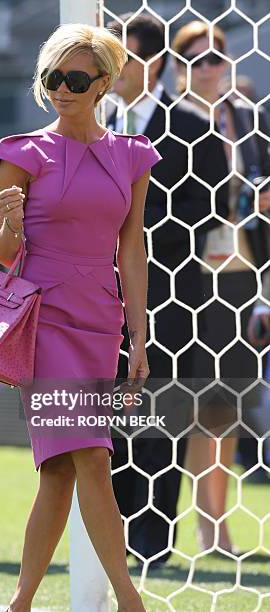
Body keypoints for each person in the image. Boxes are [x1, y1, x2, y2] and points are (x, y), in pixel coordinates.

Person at [0, 23, 161, 612]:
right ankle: (128, 598)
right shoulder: (21, 152)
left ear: (104, 83)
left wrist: (138, 336)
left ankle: (21, 602)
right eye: (53, 78)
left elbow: (131, 250)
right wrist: (10, 224)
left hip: (101, 321)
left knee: (60, 473)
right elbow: (5, 257)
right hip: (44, 319)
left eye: (76, 78)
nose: (62, 88)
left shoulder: (133, 156)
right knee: (91, 452)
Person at [106, 14, 229, 566]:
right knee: (107, 420)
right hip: (99, 299)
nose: (110, 69)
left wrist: (128, 216)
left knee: (158, 419)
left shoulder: (192, 128)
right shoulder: (93, 124)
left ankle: (151, 546)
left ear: (150, 61)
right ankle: (107, 537)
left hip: (169, 299)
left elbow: (208, 210)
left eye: (120, 56)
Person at [172, 20, 270, 550]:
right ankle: (200, 518)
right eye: (196, 59)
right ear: (179, 67)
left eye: (217, 58)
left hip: (241, 275)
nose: (209, 67)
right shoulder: (171, 123)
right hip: (185, 280)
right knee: (187, 400)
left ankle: (217, 522)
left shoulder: (249, 119)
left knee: (227, 404)